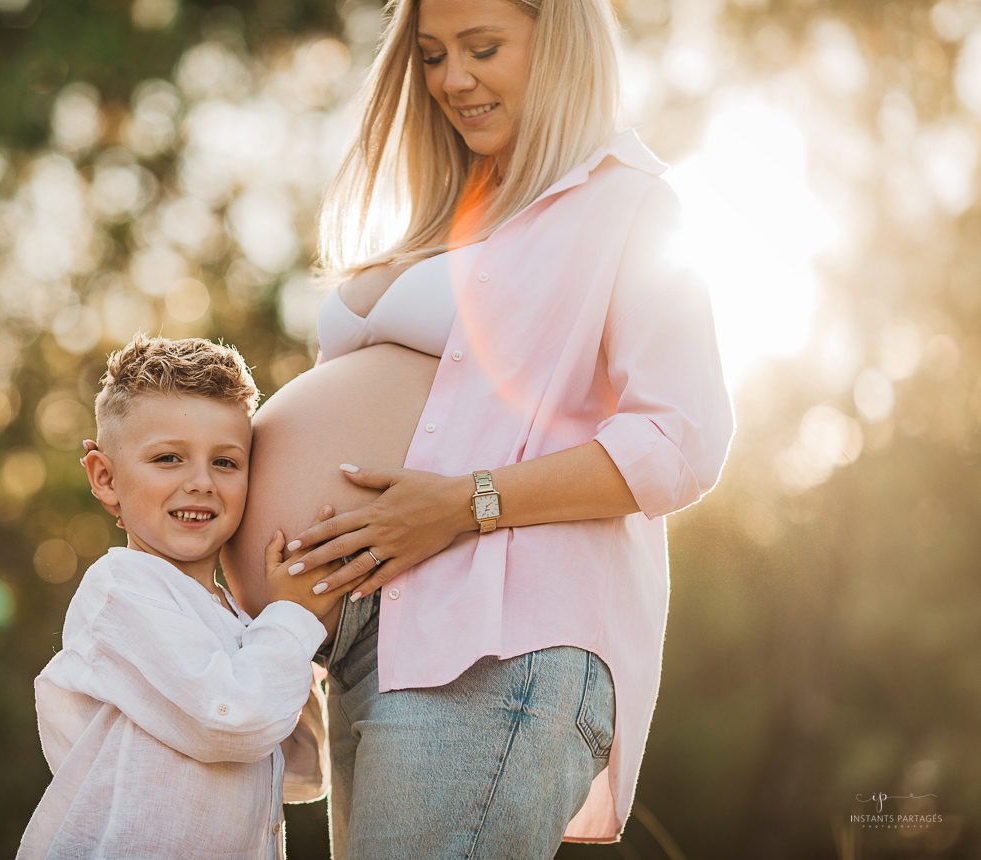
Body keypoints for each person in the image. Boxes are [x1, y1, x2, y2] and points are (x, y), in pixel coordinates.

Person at [220, 0, 737, 856]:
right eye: (431, 55)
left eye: (482, 48)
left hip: (494, 638)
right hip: (366, 634)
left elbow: (681, 440)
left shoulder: (630, 205)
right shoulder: (451, 210)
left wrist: (466, 503)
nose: (452, 79)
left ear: (560, 40)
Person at [17, 333, 370, 859]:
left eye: (226, 463)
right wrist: (291, 618)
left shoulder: (236, 617)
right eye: (168, 458)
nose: (201, 482)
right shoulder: (121, 592)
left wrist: (288, 630)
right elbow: (232, 721)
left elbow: (300, 770)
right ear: (106, 478)